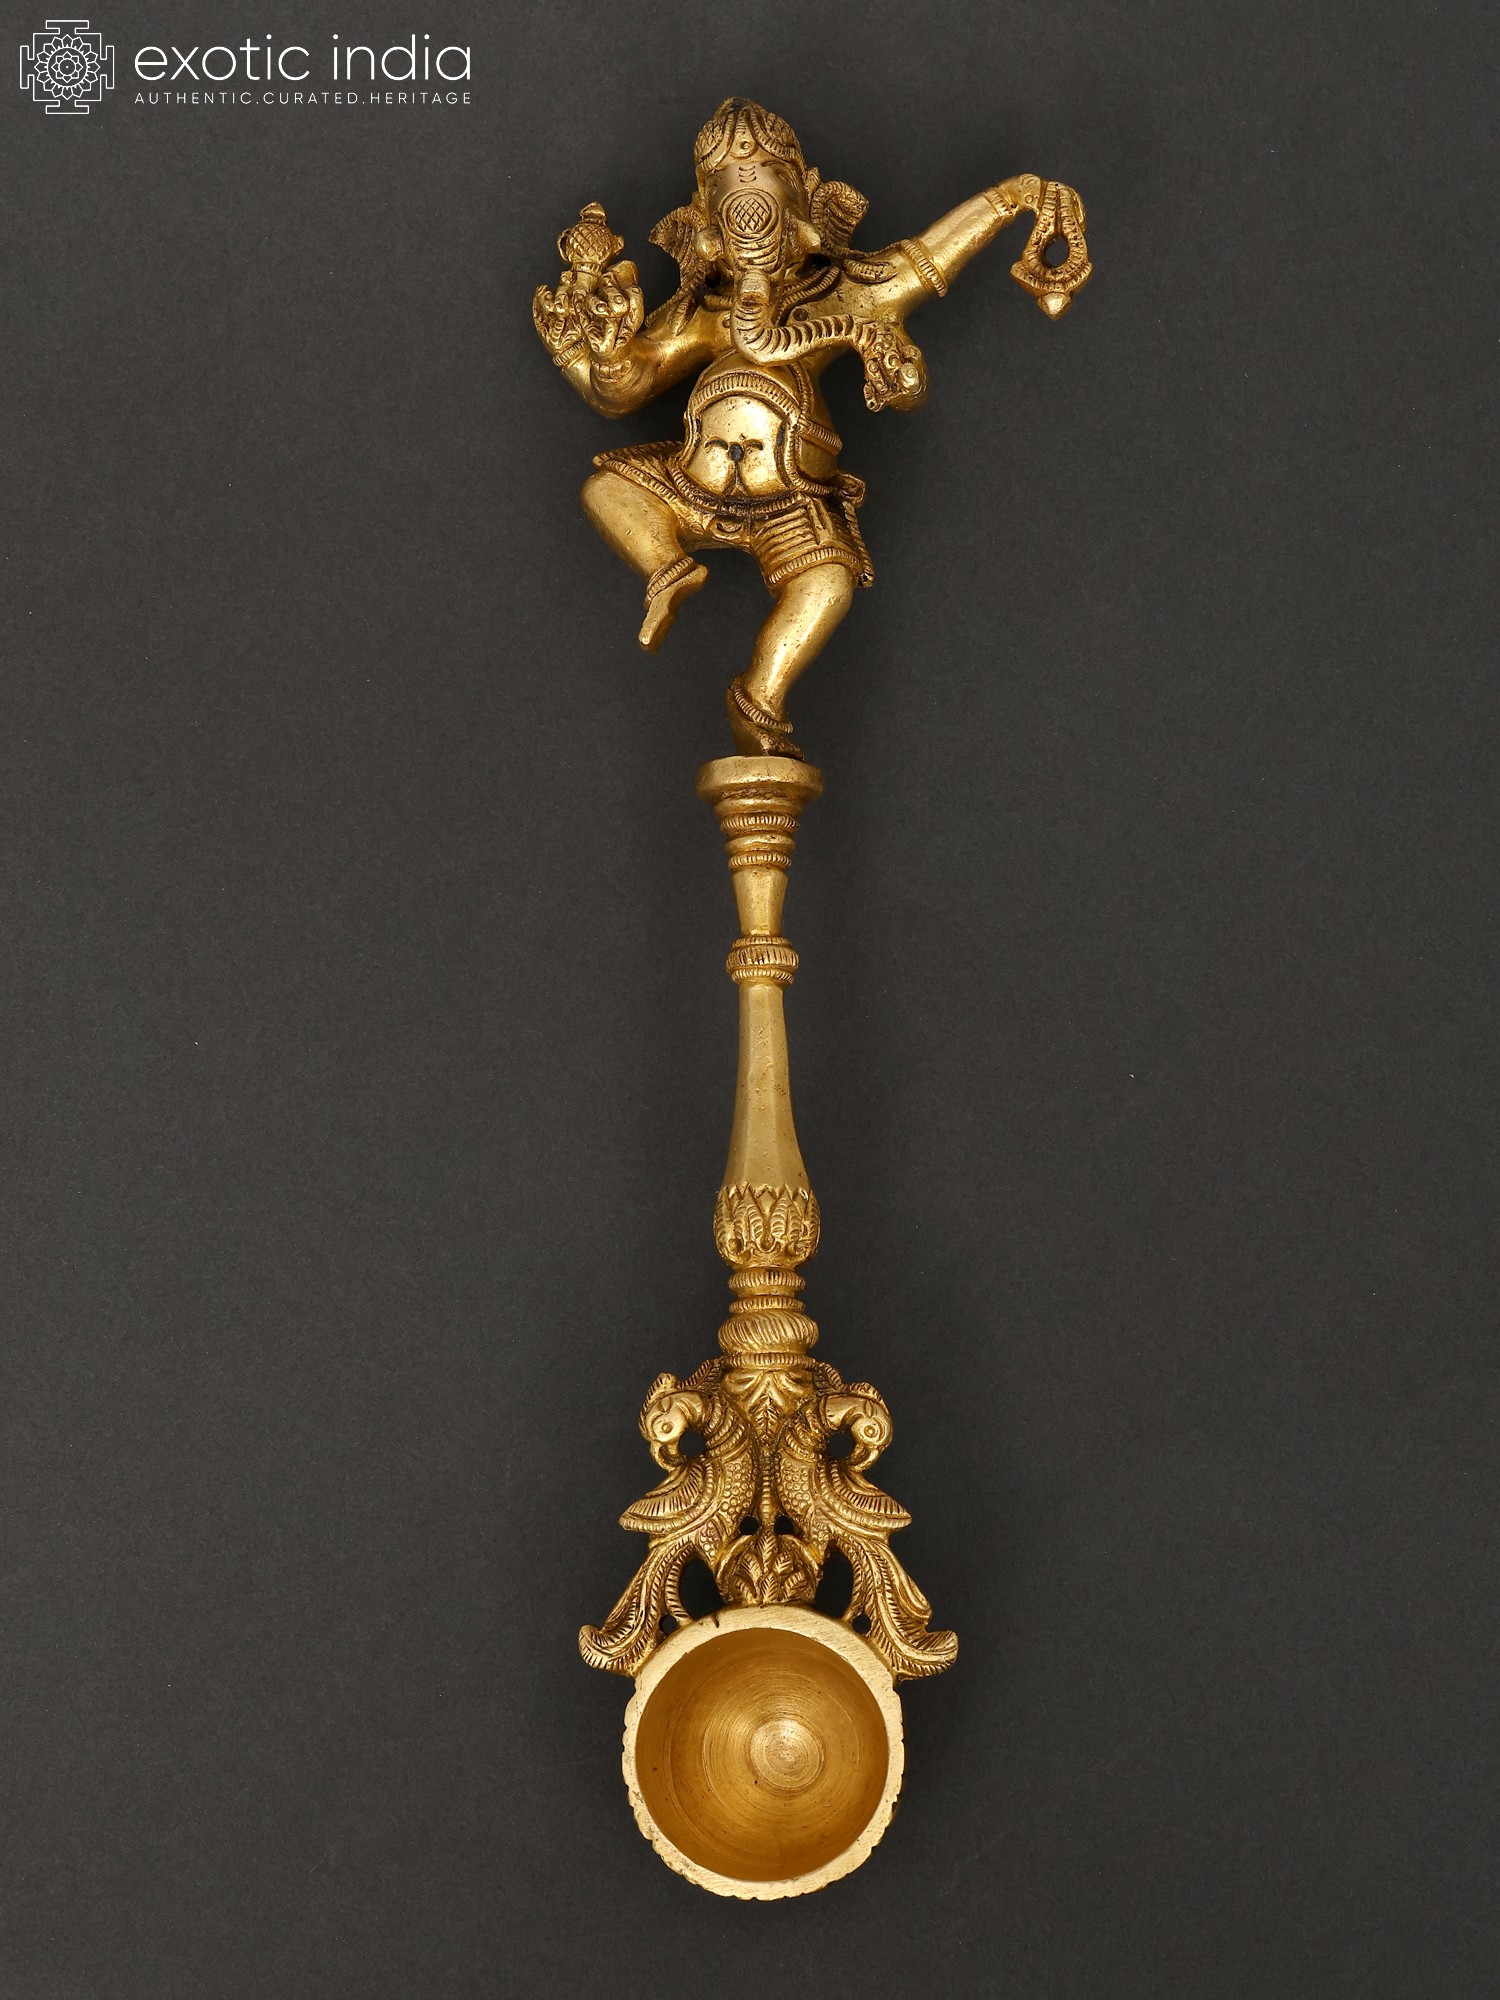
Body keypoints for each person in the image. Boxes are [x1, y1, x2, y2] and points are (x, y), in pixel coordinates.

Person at [534, 97, 1090, 757]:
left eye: (768, 190)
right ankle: (666, 568)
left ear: (808, 207)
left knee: (826, 586)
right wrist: (592, 352)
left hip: (791, 498)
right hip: (690, 483)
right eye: (731, 202)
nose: (751, 218)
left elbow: (926, 258)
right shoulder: (701, 312)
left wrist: (1009, 198)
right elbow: (623, 390)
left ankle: (760, 697)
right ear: (704, 229)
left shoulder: (845, 293)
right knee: (606, 490)